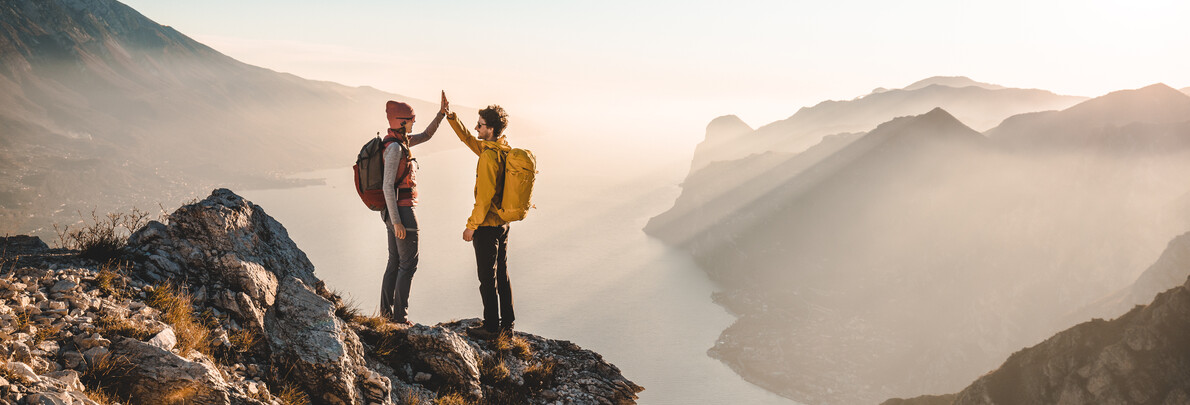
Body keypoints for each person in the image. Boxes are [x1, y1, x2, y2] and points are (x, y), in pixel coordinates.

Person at [443, 93, 516, 337]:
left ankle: (491, 327)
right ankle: (507, 325)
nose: (476, 128)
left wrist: (471, 226)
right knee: (502, 275)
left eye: (480, 125)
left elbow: (484, 198)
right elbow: (467, 138)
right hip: (503, 224)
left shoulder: (487, 157)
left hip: (486, 226)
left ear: (491, 129)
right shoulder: (502, 149)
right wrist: (451, 117)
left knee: (487, 279)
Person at [379, 92, 446, 325]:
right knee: (407, 265)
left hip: (392, 212)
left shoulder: (399, 142)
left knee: (394, 262)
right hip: (402, 212)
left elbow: (426, 135)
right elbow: (387, 186)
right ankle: (400, 318)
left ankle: (386, 316)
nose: (414, 123)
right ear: (402, 122)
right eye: (411, 120)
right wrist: (397, 221)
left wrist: (441, 115)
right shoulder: (396, 149)